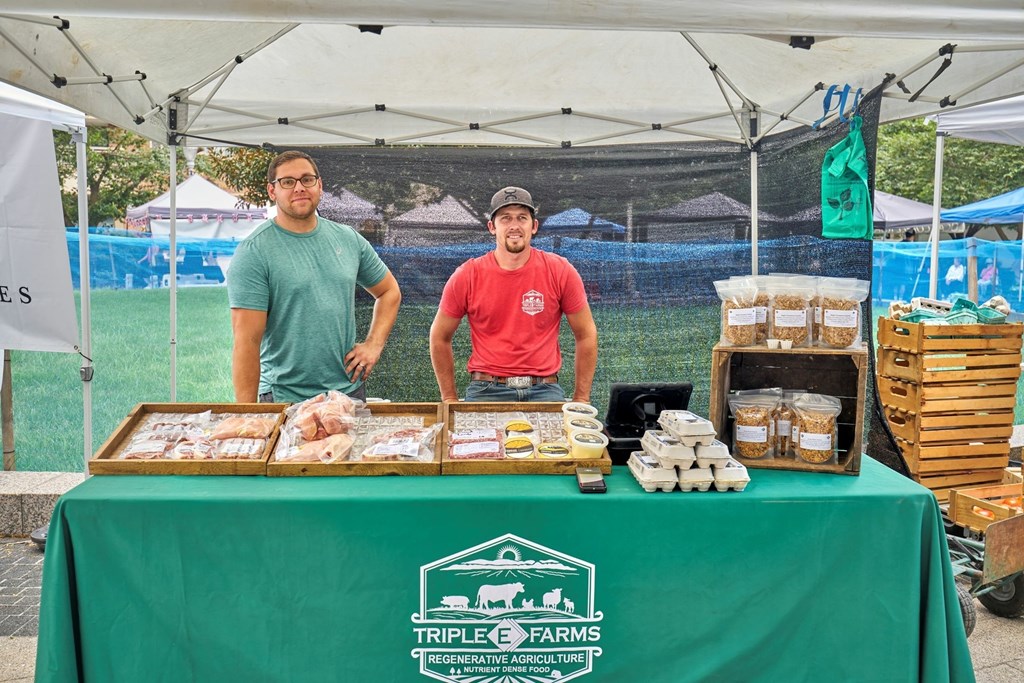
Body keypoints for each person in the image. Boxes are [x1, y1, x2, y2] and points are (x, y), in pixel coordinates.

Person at [228, 150, 401, 403]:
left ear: (319, 185)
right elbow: (247, 341)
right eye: (288, 182)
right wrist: (247, 415)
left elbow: (389, 291)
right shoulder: (254, 251)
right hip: (284, 397)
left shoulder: (348, 239)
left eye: (307, 179)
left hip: (348, 392)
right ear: (272, 191)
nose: (299, 188)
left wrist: (374, 344)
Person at [429, 186, 598, 403]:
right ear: (492, 227)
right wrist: (449, 399)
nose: (514, 226)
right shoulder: (467, 275)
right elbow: (439, 336)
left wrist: (581, 399)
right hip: (486, 391)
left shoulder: (560, 271)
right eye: (505, 218)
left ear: (533, 226)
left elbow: (586, 334)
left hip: (545, 390)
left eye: (522, 218)